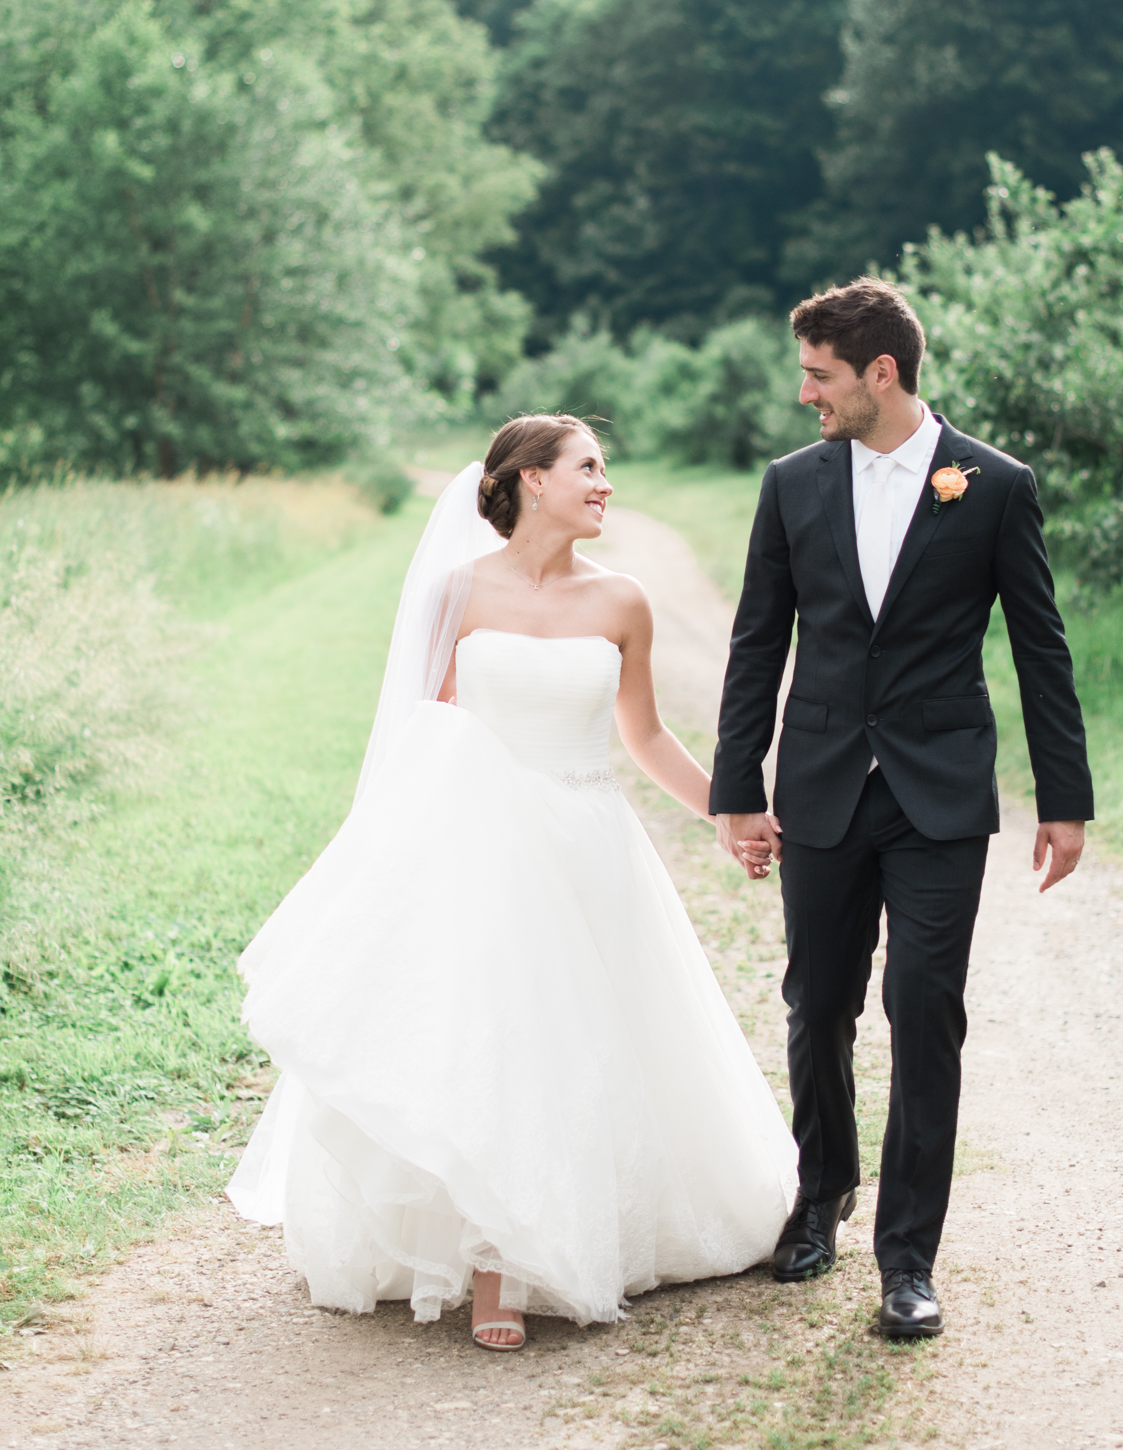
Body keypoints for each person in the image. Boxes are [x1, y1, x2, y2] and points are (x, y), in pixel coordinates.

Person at [228, 414, 797, 1351]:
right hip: (481, 844)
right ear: (532, 480)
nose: (606, 484)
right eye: (589, 468)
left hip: (586, 839)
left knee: (581, 1044)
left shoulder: (623, 601)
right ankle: (494, 1267)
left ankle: (561, 1234)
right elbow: (423, 730)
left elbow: (644, 736)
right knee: (497, 1037)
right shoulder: (458, 592)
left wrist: (729, 811)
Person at [710, 280, 1094, 1342]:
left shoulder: (997, 485)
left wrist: (1062, 798)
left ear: (882, 372)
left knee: (924, 1012)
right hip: (824, 781)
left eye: (820, 374)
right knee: (817, 1002)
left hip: (938, 791)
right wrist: (736, 786)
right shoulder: (791, 485)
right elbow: (757, 642)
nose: (805, 393)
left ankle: (908, 1259)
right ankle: (819, 1190)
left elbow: (1039, 643)